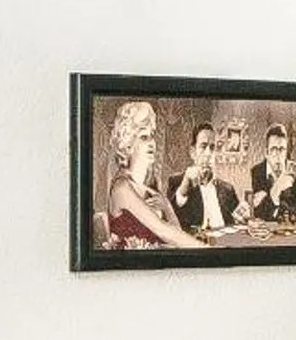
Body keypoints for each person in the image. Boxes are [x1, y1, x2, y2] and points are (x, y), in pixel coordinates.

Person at [103, 100, 203, 248]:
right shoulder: (122, 187)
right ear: (128, 143)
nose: (152, 143)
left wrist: (168, 207)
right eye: (144, 137)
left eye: (152, 135)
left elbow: (176, 232)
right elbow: (165, 232)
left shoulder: (149, 185)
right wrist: (207, 250)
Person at [171, 124, 240, 235]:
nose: (208, 154)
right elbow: (172, 216)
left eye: (212, 148)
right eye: (203, 146)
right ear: (193, 152)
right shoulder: (177, 182)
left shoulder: (228, 189)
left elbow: (236, 221)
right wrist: (185, 183)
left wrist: (244, 216)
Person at [249, 123, 296, 223]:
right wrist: (277, 188)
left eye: (282, 149)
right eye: (274, 149)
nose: (278, 155)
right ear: (266, 152)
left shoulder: (292, 169)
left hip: (287, 226)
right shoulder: (257, 171)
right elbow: (259, 213)